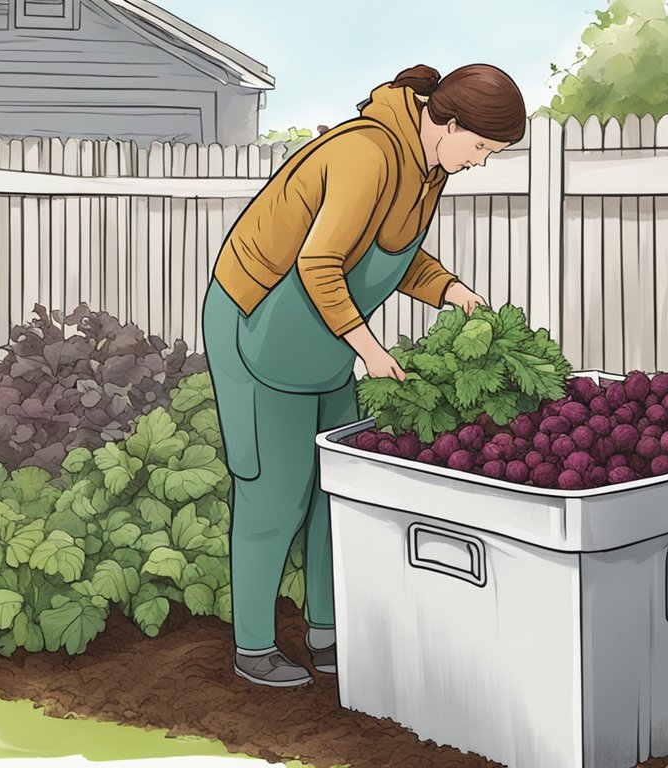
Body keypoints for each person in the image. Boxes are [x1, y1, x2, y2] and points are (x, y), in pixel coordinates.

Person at [202, 63, 527, 687]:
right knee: (276, 487)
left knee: (338, 486)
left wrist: (449, 289)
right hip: (261, 320)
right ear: (450, 122)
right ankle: (253, 647)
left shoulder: (428, 167)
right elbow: (320, 262)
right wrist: (370, 350)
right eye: (483, 148)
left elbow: (388, 253)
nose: (482, 162)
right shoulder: (366, 153)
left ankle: (328, 631)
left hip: (320, 339)